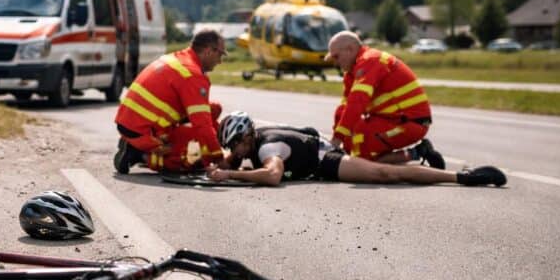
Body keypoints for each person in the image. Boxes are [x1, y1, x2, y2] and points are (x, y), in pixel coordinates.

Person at [207, 111, 506, 187]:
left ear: (247, 135)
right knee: (384, 168)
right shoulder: (252, 142)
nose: (234, 150)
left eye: (235, 143)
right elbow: (229, 161)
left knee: (385, 174)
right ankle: (415, 154)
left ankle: (461, 177)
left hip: (326, 160)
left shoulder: (266, 149)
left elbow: (272, 176)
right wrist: (217, 167)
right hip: (319, 148)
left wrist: (233, 177)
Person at [325, 31, 446, 169]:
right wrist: (338, 146)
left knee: (360, 163)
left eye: (336, 56)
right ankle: (385, 157)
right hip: (389, 120)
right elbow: (344, 109)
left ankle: (416, 153)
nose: (335, 62)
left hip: (410, 124)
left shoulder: (370, 60)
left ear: (350, 49)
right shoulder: (352, 73)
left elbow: (357, 102)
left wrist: (336, 140)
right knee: (353, 150)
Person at [114, 29, 227, 173]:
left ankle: (141, 145)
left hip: (133, 121)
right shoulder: (193, 75)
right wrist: (219, 158)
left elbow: (203, 116)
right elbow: (202, 125)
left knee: (214, 109)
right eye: (220, 54)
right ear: (208, 51)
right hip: (141, 130)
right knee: (191, 158)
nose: (220, 61)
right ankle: (137, 154)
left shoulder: (180, 58)